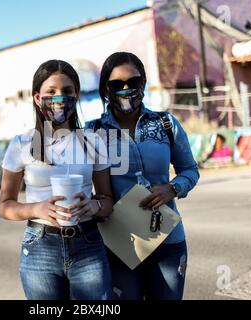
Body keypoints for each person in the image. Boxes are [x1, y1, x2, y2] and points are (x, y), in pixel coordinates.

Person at [85, 52, 200, 300]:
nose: (126, 89)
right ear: (106, 90)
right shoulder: (92, 132)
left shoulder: (165, 123)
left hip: (168, 241)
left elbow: (190, 170)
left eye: (133, 82)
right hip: (119, 245)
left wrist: (173, 188)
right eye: (117, 85)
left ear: (144, 83)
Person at [0, 60, 114, 300]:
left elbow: (107, 200)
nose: (60, 98)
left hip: (88, 243)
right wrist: (37, 208)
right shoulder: (22, 144)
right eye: (51, 92)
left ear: (77, 95)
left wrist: (95, 206)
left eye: (67, 91)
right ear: (38, 98)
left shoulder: (94, 141)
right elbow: (5, 205)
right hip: (40, 245)